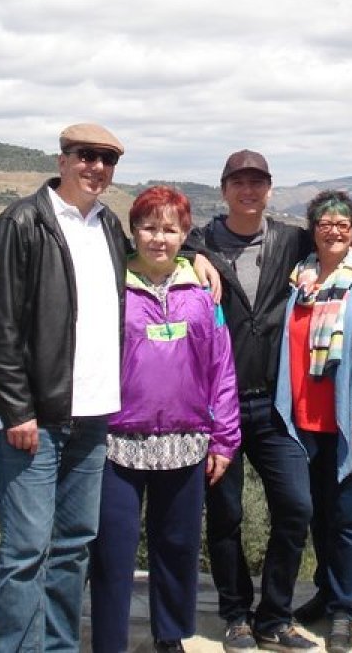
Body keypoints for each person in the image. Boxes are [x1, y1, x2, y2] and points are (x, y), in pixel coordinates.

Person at [0, 122, 129, 653]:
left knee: (72, 549)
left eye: (107, 160)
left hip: (92, 417)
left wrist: (197, 258)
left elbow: (155, 262)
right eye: (87, 156)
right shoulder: (23, 222)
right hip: (33, 422)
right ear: (62, 159)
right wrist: (17, 410)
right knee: (25, 554)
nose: (97, 168)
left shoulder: (108, 228)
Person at [90, 186, 241, 653]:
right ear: (133, 232)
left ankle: (170, 635)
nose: (159, 238)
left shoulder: (202, 293)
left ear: (184, 235)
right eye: (149, 227)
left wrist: (224, 440)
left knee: (176, 548)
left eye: (169, 229)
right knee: (112, 554)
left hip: (186, 440)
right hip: (118, 442)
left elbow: (222, 367)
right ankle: (110, 642)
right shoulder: (111, 287)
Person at [192, 150, 317, 653]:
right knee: (226, 517)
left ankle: (275, 616)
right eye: (239, 182)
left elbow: (344, 241)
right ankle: (236, 615)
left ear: (269, 188)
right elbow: (160, 245)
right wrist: (190, 254)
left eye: (257, 182)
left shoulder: (292, 241)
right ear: (224, 189)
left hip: (276, 406)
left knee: (296, 508)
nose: (249, 190)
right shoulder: (201, 242)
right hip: (216, 409)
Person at [274, 191, 352, 653]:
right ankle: (325, 594)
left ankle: (344, 609)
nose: (335, 228)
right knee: (314, 516)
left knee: (346, 519)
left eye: (343, 221)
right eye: (325, 220)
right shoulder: (297, 280)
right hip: (301, 418)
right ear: (313, 227)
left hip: (350, 420)